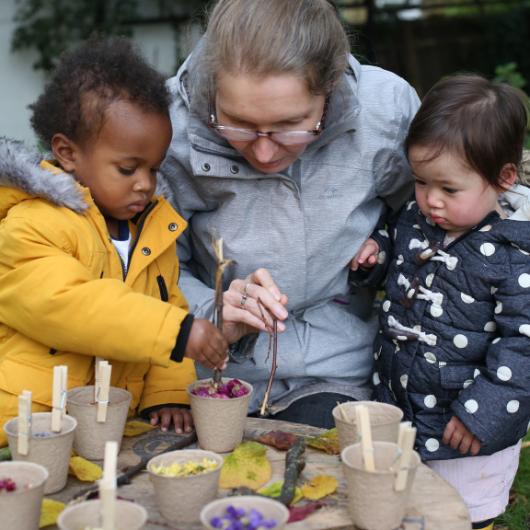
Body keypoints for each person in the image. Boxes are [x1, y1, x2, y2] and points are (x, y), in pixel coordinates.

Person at [158, 0, 420, 428]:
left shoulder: (386, 112)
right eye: (238, 123)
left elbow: (426, 225)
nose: (263, 151)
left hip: (340, 368)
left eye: (290, 125)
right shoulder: (171, 124)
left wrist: (382, 253)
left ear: (331, 89)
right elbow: (153, 265)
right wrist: (213, 310)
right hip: (211, 374)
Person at [0, 37, 228, 446]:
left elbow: (167, 305)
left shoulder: (152, 232)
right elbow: (71, 304)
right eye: (127, 169)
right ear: (67, 153)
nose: (146, 184)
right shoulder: (32, 224)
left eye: (154, 169)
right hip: (26, 426)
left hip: (110, 427)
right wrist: (177, 333)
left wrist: (167, 395)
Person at [351, 74, 530, 530]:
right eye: (420, 182)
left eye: (449, 189)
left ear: (503, 179)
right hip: (405, 400)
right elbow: (395, 246)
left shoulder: (515, 255)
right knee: (406, 509)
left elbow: (524, 345)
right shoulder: (416, 218)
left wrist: (483, 413)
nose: (431, 200)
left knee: (461, 513)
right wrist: (376, 256)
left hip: (468, 427)